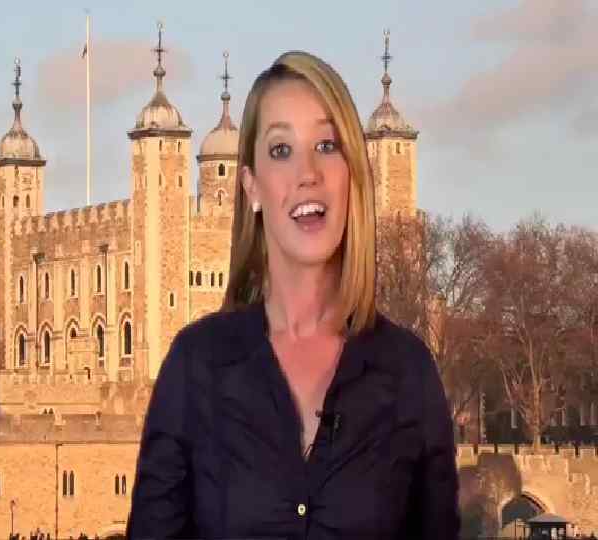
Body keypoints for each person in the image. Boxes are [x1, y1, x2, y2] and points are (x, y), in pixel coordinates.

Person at [126, 50, 460, 539]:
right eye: (281, 150)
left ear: (354, 174)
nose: (308, 172)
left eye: (327, 145)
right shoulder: (195, 367)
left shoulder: (408, 372)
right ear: (251, 187)